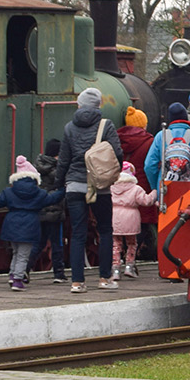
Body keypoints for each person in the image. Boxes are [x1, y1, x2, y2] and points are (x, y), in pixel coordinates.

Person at [55, 87, 124, 293]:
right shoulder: (106, 125)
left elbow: (64, 160)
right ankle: (104, 278)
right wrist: (112, 173)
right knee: (104, 230)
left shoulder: (69, 127)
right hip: (99, 186)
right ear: (98, 106)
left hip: (74, 186)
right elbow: (117, 153)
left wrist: (59, 183)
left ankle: (77, 282)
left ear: (79, 105)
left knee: (77, 234)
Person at [0, 156, 64, 290]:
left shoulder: (9, 191)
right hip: (29, 226)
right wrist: (63, 191)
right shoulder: (38, 193)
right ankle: (18, 280)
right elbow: (51, 199)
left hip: (11, 225)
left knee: (16, 253)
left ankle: (12, 275)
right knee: (23, 255)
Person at [145, 102, 190, 193]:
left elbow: (149, 165)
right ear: (185, 117)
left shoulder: (161, 136)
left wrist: (155, 187)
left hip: (166, 191)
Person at [109, 162, 158, 278]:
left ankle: (115, 269)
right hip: (131, 218)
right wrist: (155, 193)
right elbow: (146, 201)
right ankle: (129, 267)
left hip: (115, 217)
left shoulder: (112, 187)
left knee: (116, 244)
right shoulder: (136, 188)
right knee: (132, 243)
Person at [35, 137, 66, 282]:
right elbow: (61, 183)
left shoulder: (38, 166)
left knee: (39, 243)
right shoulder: (57, 169)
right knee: (57, 243)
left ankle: (24, 270)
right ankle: (59, 273)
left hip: (40, 210)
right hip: (55, 210)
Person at [118, 106, 154, 179]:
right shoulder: (149, 141)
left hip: (120, 183)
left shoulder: (118, 139)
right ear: (143, 125)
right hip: (142, 185)